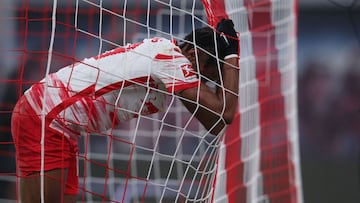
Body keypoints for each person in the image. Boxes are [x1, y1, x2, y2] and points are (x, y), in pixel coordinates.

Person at [11, 19, 239, 203]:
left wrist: (225, 58)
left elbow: (217, 119)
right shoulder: (173, 62)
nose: (203, 84)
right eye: (207, 76)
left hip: (56, 120)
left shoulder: (170, 56)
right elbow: (223, 116)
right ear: (195, 56)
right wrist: (232, 54)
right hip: (46, 117)